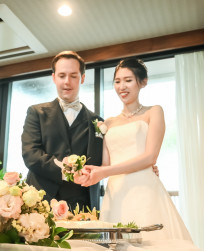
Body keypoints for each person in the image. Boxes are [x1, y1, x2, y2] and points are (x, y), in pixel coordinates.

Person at [80, 58, 192, 241]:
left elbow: (150, 157)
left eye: (128, 80)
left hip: (144, 189)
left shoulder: (154, 111)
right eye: (117, 81)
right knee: (117, 249)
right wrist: (87, 171)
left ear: (143, 82)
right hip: (116, 193)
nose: (122, 86)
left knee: (151, 244)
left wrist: (104, 171)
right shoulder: (107, 123)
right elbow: (106, 164)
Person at [21, 51, 103, 211]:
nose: (67, 82)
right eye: (62, 75)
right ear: (54, 78)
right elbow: (30, 154)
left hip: (82, 206)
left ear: (83, 78)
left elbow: (104, 160)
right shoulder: (36, 113)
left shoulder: (98, 122)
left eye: (73, 76)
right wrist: (66, 171)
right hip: (41, 202)